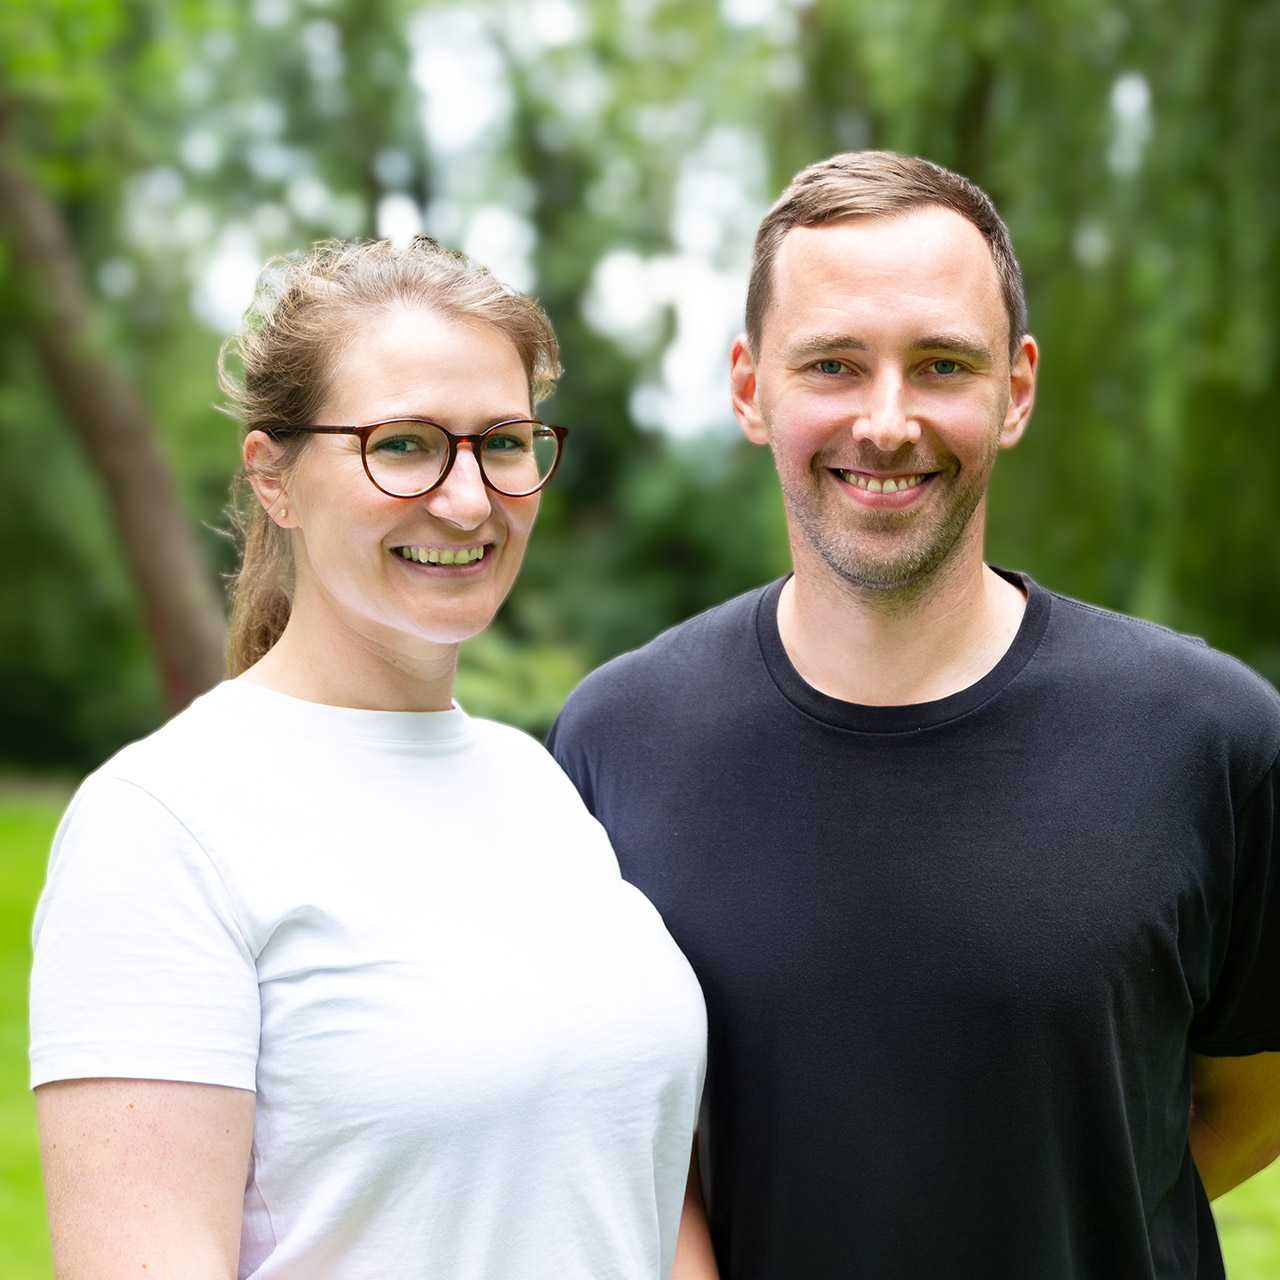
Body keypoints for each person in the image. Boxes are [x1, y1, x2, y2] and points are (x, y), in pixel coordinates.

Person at [547, 151, 1280, 1279]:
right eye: (832, 364)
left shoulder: (1212, 738)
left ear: (1015, 388)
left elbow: (1244, 1098)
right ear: (749, 388)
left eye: (939, 363)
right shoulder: (613, 739)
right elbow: (609, 1133)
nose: (884, 423)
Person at [30, 237, 716, 1279]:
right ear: (276, 478)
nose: (467, 497)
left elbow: (640, 1192)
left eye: (502, 441)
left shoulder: (538, 785)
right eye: (402, 444)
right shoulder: (160, 824)